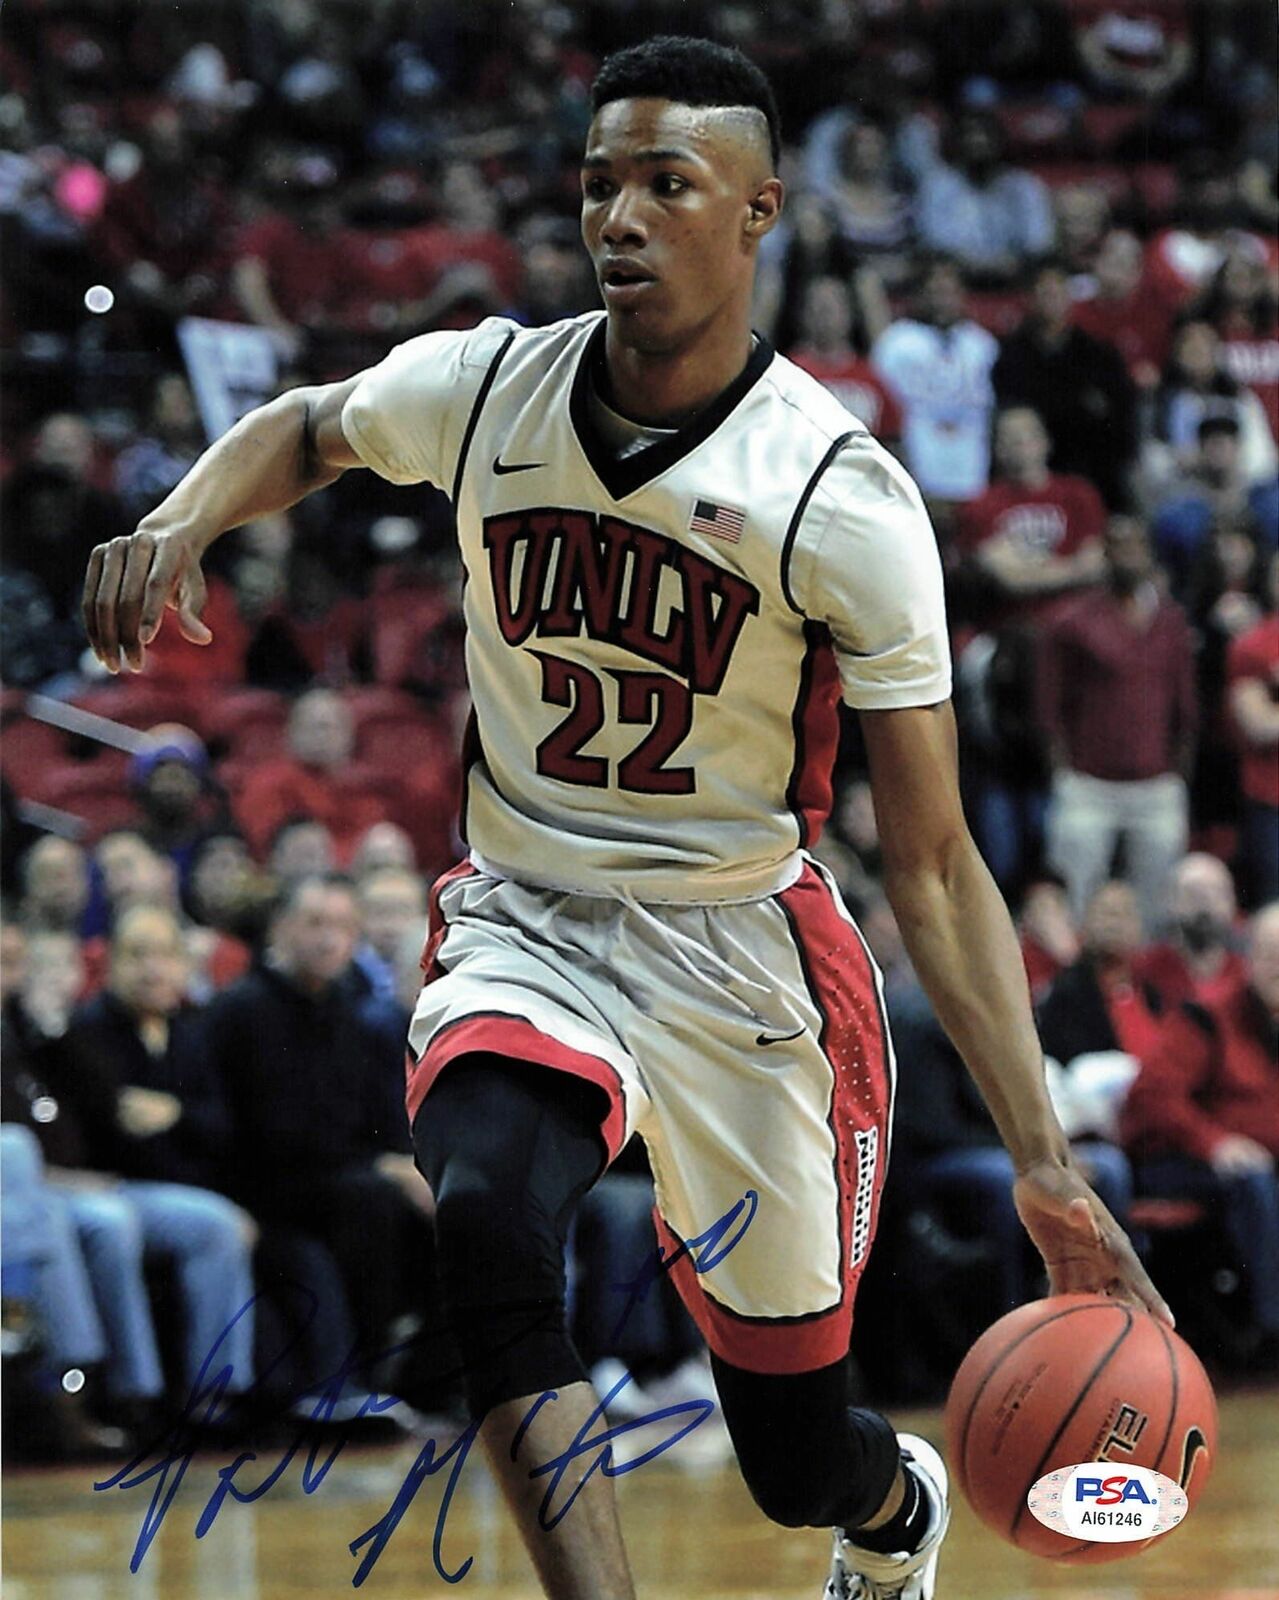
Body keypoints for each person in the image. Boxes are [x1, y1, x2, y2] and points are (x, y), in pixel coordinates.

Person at [83, 36, 1168, 1600]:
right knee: (487, 1227)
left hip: (741, 960)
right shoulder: (487, 387)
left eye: (669, 185)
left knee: (797, 1457)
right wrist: (181, 516)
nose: (621, 218)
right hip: (531, 917)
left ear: (759, 215)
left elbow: (930, 865)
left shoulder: (837, 497)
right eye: (600, 182)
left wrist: (1045, 1166)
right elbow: (311, 422)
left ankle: (891, 1511)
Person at [1120, 902, 1279, 1365]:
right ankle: (1271, 1330)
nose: (1277, 968)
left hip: (1258, 1167)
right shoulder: (1206, 1016)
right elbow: (1152, 1096)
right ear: (1247, 960)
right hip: (1178, 1164)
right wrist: (1215, 1143)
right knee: (1253, 1182)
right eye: (1270, 955)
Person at [1038, 517, 1198, 933]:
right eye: (1119, 546)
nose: (1129, 556)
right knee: (1076, 895)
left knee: (1158, 906)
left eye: (1137, 547)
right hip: (1088, 784)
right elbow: (1050, 707)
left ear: (1149, 554)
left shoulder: (1170, 621)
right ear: (1104, 555)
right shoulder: (1071, 622)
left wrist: (1176, 776)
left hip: (1156, 784)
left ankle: (1141, 990)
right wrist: (1063, 772)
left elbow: (1185, 709)